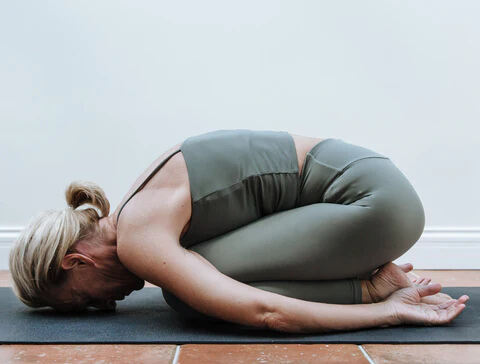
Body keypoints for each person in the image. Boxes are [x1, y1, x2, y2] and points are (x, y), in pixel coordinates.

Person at [9, 129, 469, 334]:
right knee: (193, 283)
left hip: (373, 205)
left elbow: (267, 313)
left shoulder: (138, 236)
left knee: (190, 293)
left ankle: (371, 292)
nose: (106, 305)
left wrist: (390, 314)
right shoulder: (138, 208)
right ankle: (371, 284)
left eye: (86, 299)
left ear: (76, 260)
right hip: (374, 192)